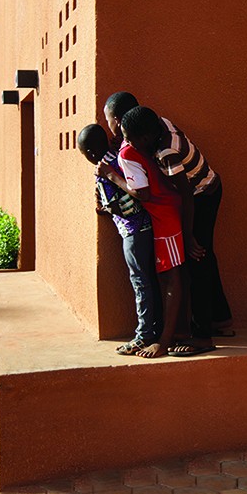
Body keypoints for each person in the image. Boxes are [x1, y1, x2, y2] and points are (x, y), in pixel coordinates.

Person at [103, 92, 233, 355]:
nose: (125, 141)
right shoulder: (155, 124)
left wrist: (187, 237)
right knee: (205, 257)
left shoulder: (165, 151)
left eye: (129, 138)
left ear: (145, 136)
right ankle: (222, 319)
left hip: (202, 194)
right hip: (195, 194)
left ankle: (203, 336)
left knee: (197, 260)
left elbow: (186, 195)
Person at [99, 106, 191, 358]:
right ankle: (174, 333)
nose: (126, 141)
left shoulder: (128, 153)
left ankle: (168, 338)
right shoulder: (134, 148)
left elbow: (144, 193)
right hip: (161, 218)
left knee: (172, 279)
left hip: (166, 219)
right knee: (166, 278)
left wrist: (111, 175)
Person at [78, 123, 161, 356]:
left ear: (91, 154)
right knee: (150, 280)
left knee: (140, 283)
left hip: (133, 231)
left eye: (84, 155)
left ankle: (144, 335)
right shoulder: (119, 155)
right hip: (148, 226)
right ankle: (154, 329)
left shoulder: (104, 169)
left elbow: (124, 206)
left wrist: (106, 207)